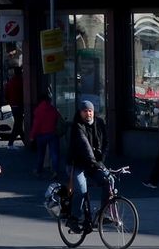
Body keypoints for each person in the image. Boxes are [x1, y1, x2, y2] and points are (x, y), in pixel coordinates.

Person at [66, 100, 110, 234]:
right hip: (77, 164)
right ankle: (73, 218)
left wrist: (101, 161)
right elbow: (85, 146)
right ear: (80, 112)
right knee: (81, 189)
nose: (88, 113)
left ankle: (103, 214)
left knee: (109, 180)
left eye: (90, 111)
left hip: (93, 163)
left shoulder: (99, 123)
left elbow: (106, 142)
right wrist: (94, 162)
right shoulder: (77, 126)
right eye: (85, 111)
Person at [30, 94, 62, 179]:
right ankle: (55, 171)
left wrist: (32, 136)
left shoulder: (38, 110)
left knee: (41, 154)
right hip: (52, 134)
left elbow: (36, 125)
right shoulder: (53, 109)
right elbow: (58, 118)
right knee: (54, 154)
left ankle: (39, 170)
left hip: (41, 135)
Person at [4, 67, 25, 149]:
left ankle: (23, 141)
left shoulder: (10, 82)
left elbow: (6, 94)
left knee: (18, 123)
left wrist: (9, 101)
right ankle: (11, 143)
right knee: (18, 124)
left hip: (13, 105)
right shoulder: (21, 81)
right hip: (19, 104)